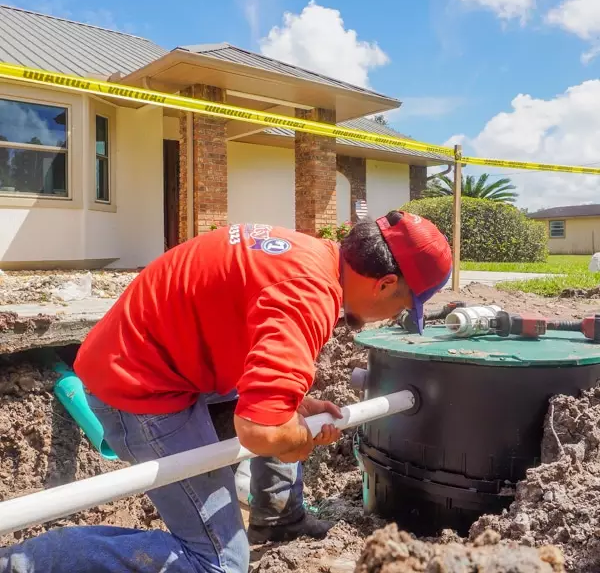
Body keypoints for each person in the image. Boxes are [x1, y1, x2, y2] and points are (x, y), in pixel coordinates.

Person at [0, 210, 451, 573]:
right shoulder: (308, 294)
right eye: (399, 308)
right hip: (138, 387)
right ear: (386, 284)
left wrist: (290, 409)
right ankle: (21, 561)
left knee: (287, 399)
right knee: (218, 563)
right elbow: (260, 430)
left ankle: (278, 520)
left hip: (158, 357)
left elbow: (265, 391)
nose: (389, 317)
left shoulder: (312, 254)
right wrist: (299, 439)